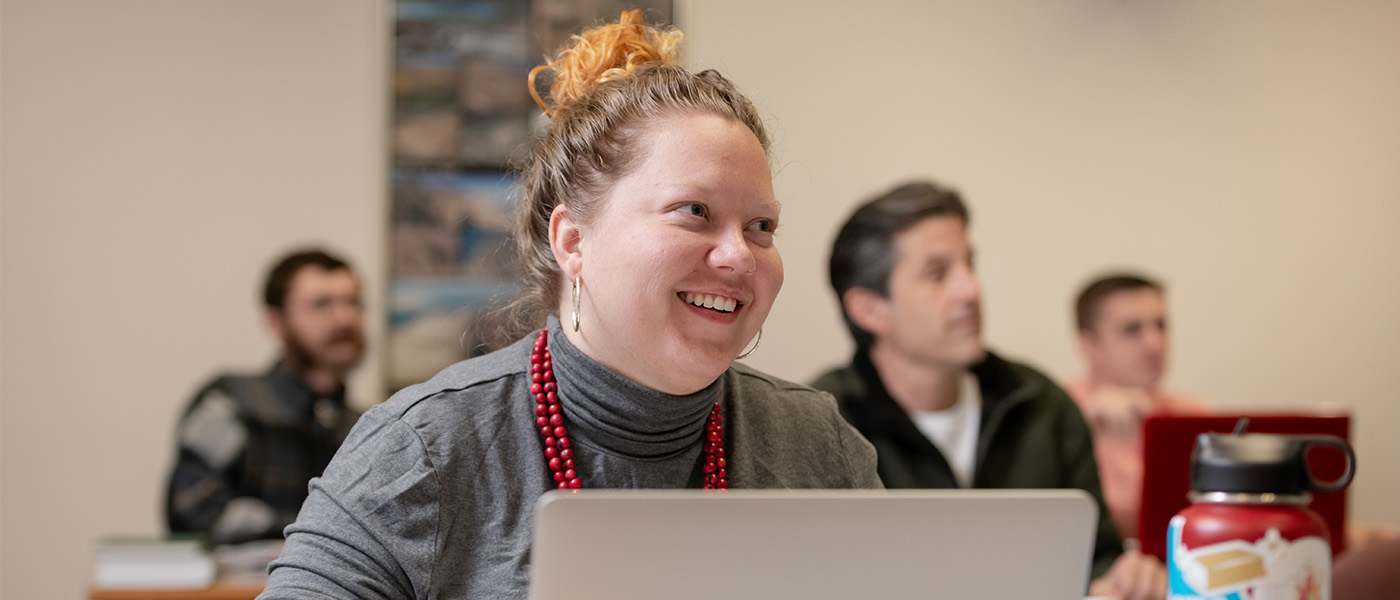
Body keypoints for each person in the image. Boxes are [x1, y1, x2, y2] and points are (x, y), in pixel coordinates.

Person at [259, 11, 880, 599]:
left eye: (762, 226)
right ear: (573, 240)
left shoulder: (818, 445)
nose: (740, 257)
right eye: (695, 212)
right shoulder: (419, 451)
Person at [810, 180, 1166, 600]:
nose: (971, 291)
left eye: (969, 265)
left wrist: (1124, 580)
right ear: (870, 309)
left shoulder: (1044, 404)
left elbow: (1097, 559)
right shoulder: (820, 426)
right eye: (937, 273)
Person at [165, 248, 366, 545]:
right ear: (276, 321)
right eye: (322, 304)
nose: (344, 318)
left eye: (353, 302)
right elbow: (192, 511)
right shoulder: (230, 402)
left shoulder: (362, 425)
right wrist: (319, 530)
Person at [1062, 274, 1209, 541]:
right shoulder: (1056, 413)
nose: (1154, 342)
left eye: (1161, 325)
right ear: (1088, 345)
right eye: (1132, 329)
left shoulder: (1191, 415)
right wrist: (1081, 419)